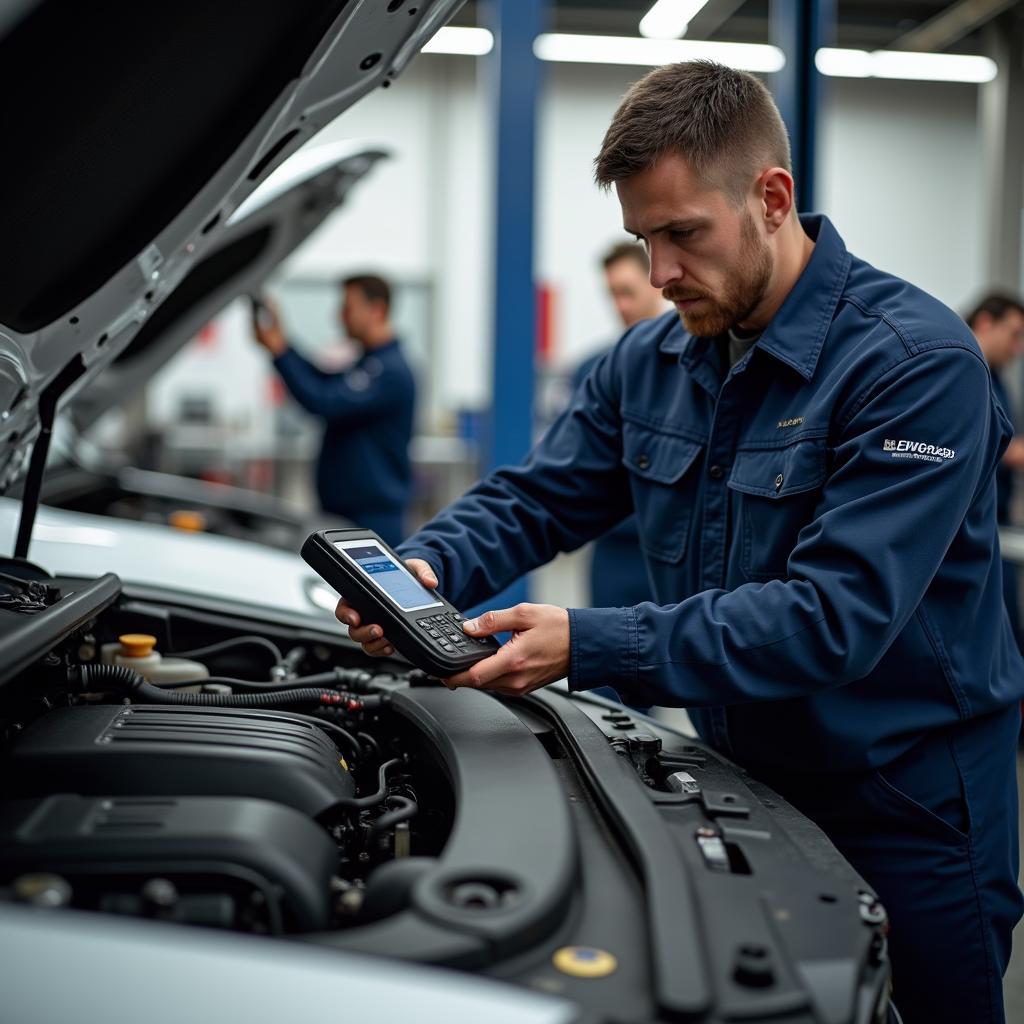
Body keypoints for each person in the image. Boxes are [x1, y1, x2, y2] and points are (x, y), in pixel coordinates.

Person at [337, 61, 1024, 1023]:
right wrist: (431, 565)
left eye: (682, 235)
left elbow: (835, 618)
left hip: (905, 802)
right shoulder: (652, 361)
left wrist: (591, 642)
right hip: (745, 776)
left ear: (772, 198)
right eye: (640, 239)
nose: (657, 275)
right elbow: (541, 496)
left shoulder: (916, 367)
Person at [253, 274, 415, 546]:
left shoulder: (389, 371)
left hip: (370, 520)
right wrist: (281, 345)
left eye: (348, 308)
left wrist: (280, 350)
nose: (340, 317)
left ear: (376, 310)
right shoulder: (369, 364)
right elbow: (324, 381)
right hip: (348, 515)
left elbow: (324, 400)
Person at [573, 243, 666, 609]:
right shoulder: (593, 371)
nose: (620, 305)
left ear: (656, 282)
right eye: (612, 294)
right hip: (612, 551)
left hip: (666, 552)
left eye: (627, 292)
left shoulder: (693, 367)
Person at [966, 292, 1024, 649]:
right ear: (986, 322)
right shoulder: (956, 368)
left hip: (995, 525)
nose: (1018, 348)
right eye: (1015, 334)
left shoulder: (997, 377)